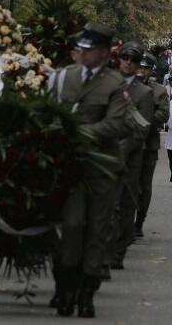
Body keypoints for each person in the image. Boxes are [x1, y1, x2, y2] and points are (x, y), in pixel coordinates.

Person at [51, 23, 131, 318]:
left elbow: (115, 124)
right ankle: (65, 283)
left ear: (102, 53)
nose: (82, 54)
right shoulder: (63, 79)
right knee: (71, 226)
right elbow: (48, 113)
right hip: (71, 166)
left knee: (98, 231)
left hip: (102, 168)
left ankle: (87, 291)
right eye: (80, 49)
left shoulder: (115, 84)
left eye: (89, 50)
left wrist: (78, 133)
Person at [109, 42, 154, 271]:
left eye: (133, 60)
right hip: (105, 152)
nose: (128, 62)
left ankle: (118, 250)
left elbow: (141, 130)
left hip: (130, 155)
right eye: (124, 58)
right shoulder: (106, 85)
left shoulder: (143, 93)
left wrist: (121, 149)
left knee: (126, 204)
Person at [134, 52, 170, 239]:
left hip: (148, 143)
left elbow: (163, 115)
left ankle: (139, 221)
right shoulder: (126, 87)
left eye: (145, 68)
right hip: (129, 143)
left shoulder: (159, 91)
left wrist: (143, 121)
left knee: (144, 185)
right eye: (139, 67)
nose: (142, 71)